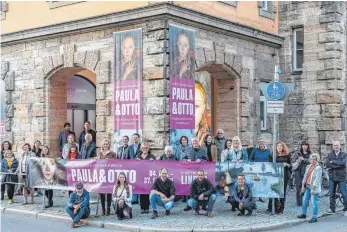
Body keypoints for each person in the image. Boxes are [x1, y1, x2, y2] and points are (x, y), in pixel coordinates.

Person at [297, 153, 322, 223]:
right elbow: (305, 176)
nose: (312, 160)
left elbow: (317, 179)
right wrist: (302, 185)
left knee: (314, 202)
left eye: (314, 159)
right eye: (311, 159)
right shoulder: (308, 166)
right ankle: (304, 214)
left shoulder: (318, 168)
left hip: (313, 187)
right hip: (307, 186)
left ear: (316, 160)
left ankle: (314, 217)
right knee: (304, 200)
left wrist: (313, 189)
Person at [268, 141, 291, 214]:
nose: (279, 147)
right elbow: (270, 165)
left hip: (284, 176)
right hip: (275, 176)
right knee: (273, 191)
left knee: (282, 193)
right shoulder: (272, 155)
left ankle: (281, 209)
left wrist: (286, 164)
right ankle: (272, 208)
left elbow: (291, 166)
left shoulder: (287, 155)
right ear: (275, 147)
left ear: (283, 147)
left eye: (281, 146)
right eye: (278, 146)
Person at [325, 141, 347, 215]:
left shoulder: (344, 154)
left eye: (337, 145)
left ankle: (346, 210)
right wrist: (337, 165)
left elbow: (343, 163)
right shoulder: (330, 154)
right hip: (332, 176)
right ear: (333, 147)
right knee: (332, 194)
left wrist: (332, 162)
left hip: (341, 176)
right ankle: (332, 209)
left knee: (344, 193)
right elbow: (327, 163)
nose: (336, 147)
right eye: (334, 145)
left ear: (340, 146)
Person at [96, 139, 116, 216]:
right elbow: (97, 163)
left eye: (106, 144)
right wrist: (96, 159)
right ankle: (103, 210)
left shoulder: (113, 153)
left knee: (109, 192)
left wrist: (110, 160)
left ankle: (108, 209)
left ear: (109, 145)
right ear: (102, 145)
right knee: (101, 192)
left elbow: (117, 163)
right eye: (104, 144)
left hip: (109, 175)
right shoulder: (99, 153)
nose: (105, 145)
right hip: (101, 175)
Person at [136, 143, 155, 213]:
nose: (145, 149)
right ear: (141, 149)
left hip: (148, 176)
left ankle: (147, 207)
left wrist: (153, 161)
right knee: (141, 192)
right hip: (140, 176)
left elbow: (156, 166)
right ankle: (142, 207)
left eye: (146, 148)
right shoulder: (138, 156)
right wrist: (136, 161)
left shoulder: (151, 156)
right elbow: (133, 165)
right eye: (143, 148)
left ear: (148, 149)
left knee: (147, 192)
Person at [291, 141, 312, 206]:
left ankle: (306, 202)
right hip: (298, 171)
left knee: (307, 187)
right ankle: (299, 203)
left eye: (306, 145)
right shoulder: (297, 153)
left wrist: (303, 159)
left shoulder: (310, 153)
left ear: (308, 146)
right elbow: (292, 161)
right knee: (298, 187)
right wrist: (298, 160)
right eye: (303, 145)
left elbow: (312, 161)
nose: (304, 146)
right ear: (301, 146)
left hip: (307, 172)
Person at [249, 138, 271, 203]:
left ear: (265, 143)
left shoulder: (268, 151)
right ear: (258, 143)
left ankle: (262, 196)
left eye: (262, 142)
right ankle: (256, 197)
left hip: (265, 169)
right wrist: (253, 163)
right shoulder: (255, 150)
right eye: (260, 142)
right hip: (256, 169)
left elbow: (270, 159)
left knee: (263, 183)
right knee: (256, 183)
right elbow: (250, 158)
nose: (261, 144)